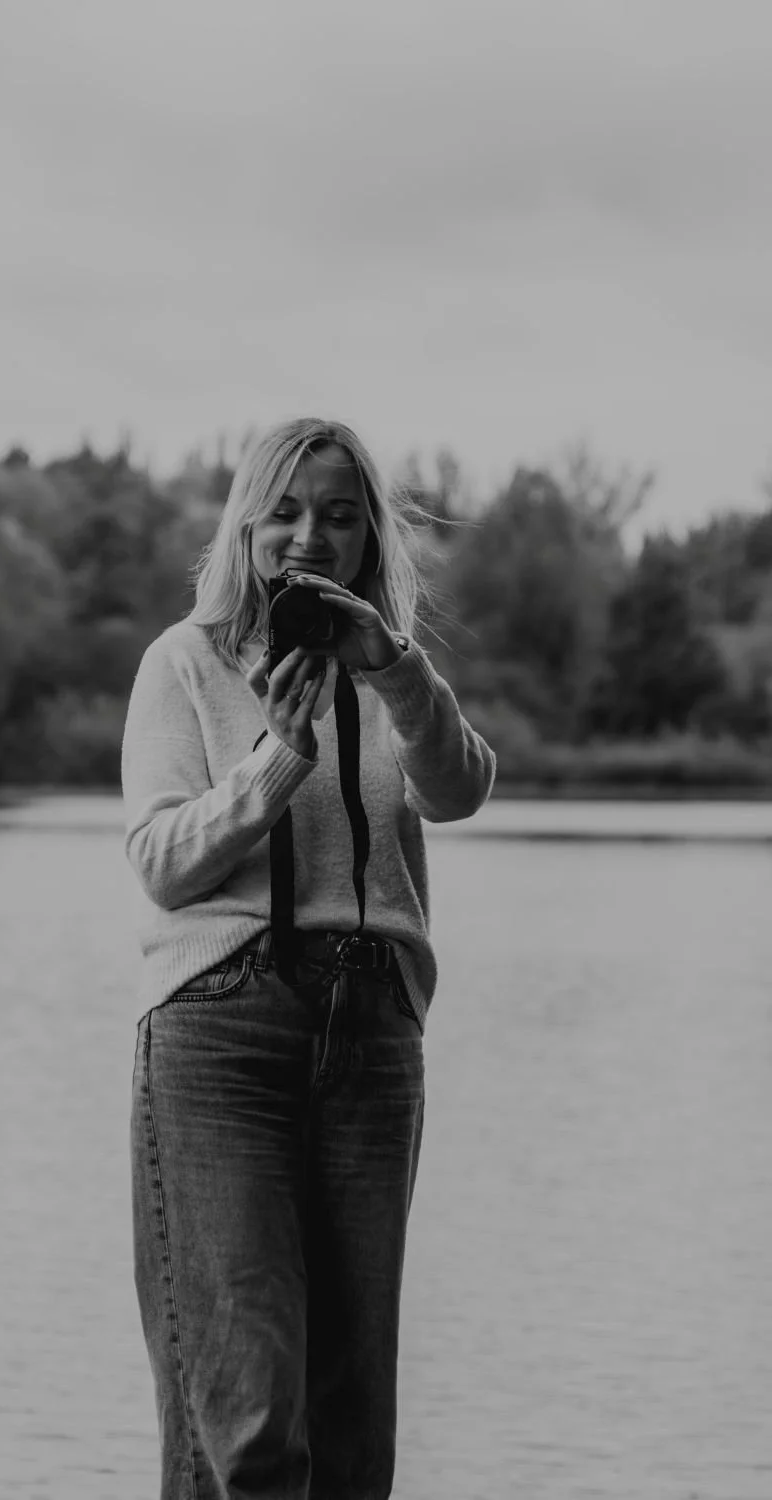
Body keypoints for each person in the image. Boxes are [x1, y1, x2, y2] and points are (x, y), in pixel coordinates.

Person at [121, 417, 495, 1499]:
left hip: (373, 1034)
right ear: (246, 527)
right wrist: (275, 761)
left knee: (350, 1431)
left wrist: (395, 671)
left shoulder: (390, 672)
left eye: (337, 515)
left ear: (369, 534)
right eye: (283, 512)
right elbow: (161, 863)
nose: (308, 537)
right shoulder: (185, 661)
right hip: (221, 1032)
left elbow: (460, 790)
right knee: (244, 1422)